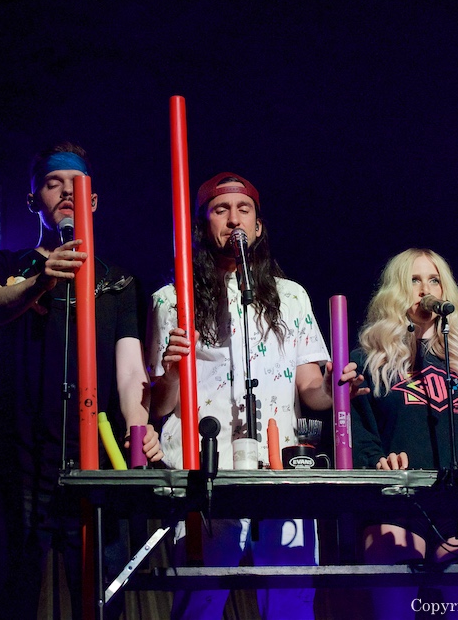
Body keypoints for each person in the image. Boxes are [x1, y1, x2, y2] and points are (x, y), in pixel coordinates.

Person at [146, 171, 362, 620]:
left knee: (291, 596)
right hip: (204, 466)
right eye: (220, 211)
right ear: (204, 226)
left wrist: (337, 389)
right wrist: (169, 373)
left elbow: (310, 389)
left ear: (258, 226)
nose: (234, 220)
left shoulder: (291, 297)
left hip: (281, 463)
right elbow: (160, 406)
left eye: (243, 210)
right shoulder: (171, 300)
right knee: (201, 599)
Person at [0, 142, 163, 619]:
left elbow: (128, 373)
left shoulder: (117, 282)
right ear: (34, 198)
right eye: (53, 183)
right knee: (11, 597)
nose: (66, 192)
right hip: (22, 460)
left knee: (101, 602)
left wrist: (141, 431)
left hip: (95, 462)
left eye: (77, 184)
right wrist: (39, 281)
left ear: (93, 200)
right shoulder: (7, 265)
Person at [350, 248, 458, 620]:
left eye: (434, 280)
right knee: (395, 608)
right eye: (414, 280)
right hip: (394, 498)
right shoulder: (369, 360)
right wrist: (375, 462)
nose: (424, 288)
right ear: (396, 290)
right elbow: (358, 431)